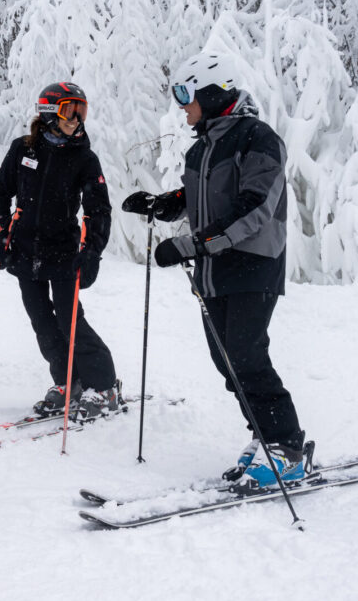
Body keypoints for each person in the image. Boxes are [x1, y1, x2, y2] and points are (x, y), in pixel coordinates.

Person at [122, 51, 304, 487]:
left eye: (187, 95)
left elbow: (255, 206)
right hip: (214, 270)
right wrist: (165, 204)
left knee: (247, 356)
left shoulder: (257, 138)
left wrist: (190, 244)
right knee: (228, 363)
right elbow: (198, 197)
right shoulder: (203, 146)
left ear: (210, 91)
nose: (182, 105)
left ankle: (287, 447)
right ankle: (263, 435)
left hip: (253, 263)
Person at [0, 82, 119, 419]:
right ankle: (67, 382)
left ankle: (104, 386)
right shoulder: (24, 150)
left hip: (63, 253)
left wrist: (91, 252)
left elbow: (98, 210)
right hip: (23, 251)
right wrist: (0, 233)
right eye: (68, 110)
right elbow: (1, 191)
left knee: (69, 320)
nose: (75, 119)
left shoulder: (84, 158)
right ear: (48, 113)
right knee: (42, 322)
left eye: (81, 111)